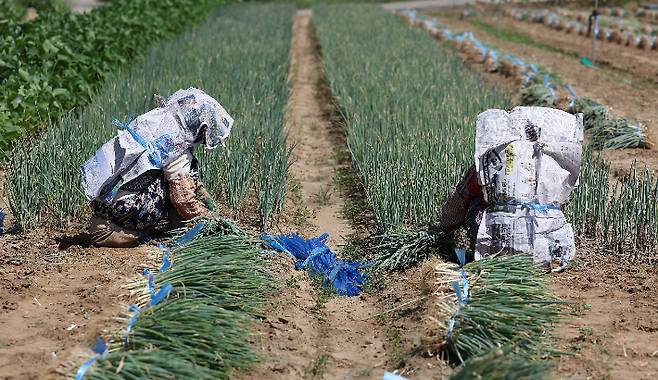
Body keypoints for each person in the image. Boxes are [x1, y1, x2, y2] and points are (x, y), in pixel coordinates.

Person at [432, 106, 583, 272]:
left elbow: (460, 199)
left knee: (473, 204)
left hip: (501, 252)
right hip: (549, 255)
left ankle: (492, 256)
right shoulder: (556, 159)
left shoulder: (497, 154)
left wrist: (441, 230)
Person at [80, 88, 233, 247]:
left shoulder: (156, 120)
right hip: (126, 209)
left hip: (102, 202)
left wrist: (203, 195)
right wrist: (210, 219)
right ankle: (176, 230)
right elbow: (183, 199)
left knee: (176, 175)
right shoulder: (177, 145)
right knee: (183, 176)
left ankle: (107, 225)